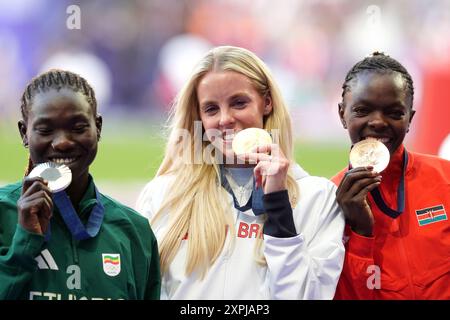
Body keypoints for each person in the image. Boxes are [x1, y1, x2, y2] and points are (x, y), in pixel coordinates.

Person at [136, 46, 345, 300]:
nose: (225, 119)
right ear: (199, 117)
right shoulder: (163, 195)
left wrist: (278, 204)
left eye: (238, 103)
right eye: (211, 109)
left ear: (266, 102)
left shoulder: (317, 196)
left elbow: (307, 296)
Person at [0, 69, 160, 300]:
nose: (63, 142)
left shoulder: (134, 231)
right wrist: (24, 241)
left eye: (78, 128)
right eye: (46, 130)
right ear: (24, 133)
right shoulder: (4, 213)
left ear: (98, 128)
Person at [333, 52, 450, 299]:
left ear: (410, 119)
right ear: (343, 114)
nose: (377, 122)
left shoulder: (445, 179)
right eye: (363, 110)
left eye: (394, 113)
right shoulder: (327, 200)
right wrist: (360, 234)